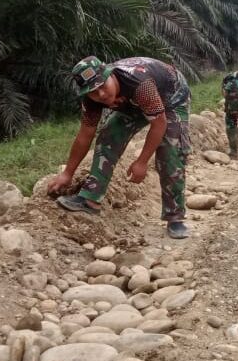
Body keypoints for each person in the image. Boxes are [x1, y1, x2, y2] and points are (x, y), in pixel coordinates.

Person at [46, 56, 192, 239]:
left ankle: (175, 217)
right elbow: (85, 134)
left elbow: (159, 124)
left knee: (170, 151)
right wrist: (67, 173)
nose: (101, 95)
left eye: (102, 86)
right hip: (132, 102)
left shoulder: (140, 84)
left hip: (171, 97)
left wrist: (142, 161)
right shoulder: (91, 100)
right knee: (108, 137)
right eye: (93, 91)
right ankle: (91, 200)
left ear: (110, 74)